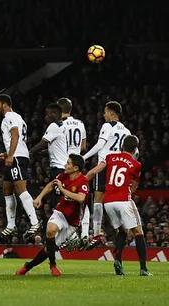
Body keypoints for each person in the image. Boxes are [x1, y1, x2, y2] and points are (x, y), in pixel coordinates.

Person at [85, 135, 151, 276]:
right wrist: (128, 196)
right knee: (138, 232)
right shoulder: (136, 164)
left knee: (122, 231)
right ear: (135, 149)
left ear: (122, 146)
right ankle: (143, 268)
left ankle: (118, 261)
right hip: (123, 200)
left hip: (108, 202)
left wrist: (81, 181)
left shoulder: (110, 157)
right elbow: (133, 186)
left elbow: (94, 171)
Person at [15, 154, 89, 277]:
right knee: (50, 230)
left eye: (68, 163)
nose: (65, 165)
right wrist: (39, 197)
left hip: (73, 222)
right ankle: (53, 265)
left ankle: (28, 266)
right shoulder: (63, 176)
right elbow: (51, 184)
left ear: (76, 168)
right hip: (61, 212)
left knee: (48, 249)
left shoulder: (83, 181)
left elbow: (81, 198)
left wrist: (63, 189)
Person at [0, 94, 41, 240]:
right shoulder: (15, 118)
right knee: (7, 189)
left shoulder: (10, 116)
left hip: (18, 157)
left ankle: (34, 222)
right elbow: (20, 139)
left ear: (5, 104)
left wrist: (11, 155)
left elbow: (15, 135)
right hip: (16, 154)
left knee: (21, 189)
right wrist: (6, 153)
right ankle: (11, 225)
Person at [82, 101, 131, 242]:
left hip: (105, 165)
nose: (103, 115)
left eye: (105, 112)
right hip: (118, 168)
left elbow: (100, 145)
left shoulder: (107, 126)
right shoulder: (127, 131)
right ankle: (122, 231)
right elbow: (135, 151)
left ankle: (96, 233)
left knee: (98, 198)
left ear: (111, 113)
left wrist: (83, 157)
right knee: (115, 200)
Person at [58, 98, 90, 238]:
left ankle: (69, 235)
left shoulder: (59, 125)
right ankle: (83, 233)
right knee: (82, 200)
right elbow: (83, 146)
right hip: (77, 164)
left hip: (64, 164)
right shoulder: (80, 124)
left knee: (63, 200)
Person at [30, 103, 68, 216]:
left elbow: (42, 143)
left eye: (48, 114)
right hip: (62, 167)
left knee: (59, 201)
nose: (46, 116)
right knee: (59, 199)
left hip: (59, 169)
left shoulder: (54, 126)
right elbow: (59, 147)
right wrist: (45, 153)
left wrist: (29, 153)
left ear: (55, 114)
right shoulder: (63, 126)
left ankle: (66, 229)